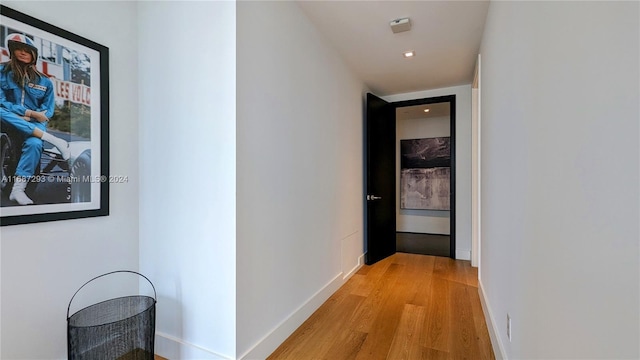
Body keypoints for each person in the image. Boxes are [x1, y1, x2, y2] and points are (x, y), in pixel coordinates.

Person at [0, 33, 70, 205]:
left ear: (34, 54)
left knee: (35, 144)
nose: (23, 53)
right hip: (8, 121)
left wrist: (32, 117)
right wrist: (28, 113)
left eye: (27, 50)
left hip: (33, 125)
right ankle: (54, 140)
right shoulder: (2, 71)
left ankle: (17, 190)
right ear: (12, 51)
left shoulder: (45, 81)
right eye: (18, 49)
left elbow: (47, 111)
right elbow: (1, 101)